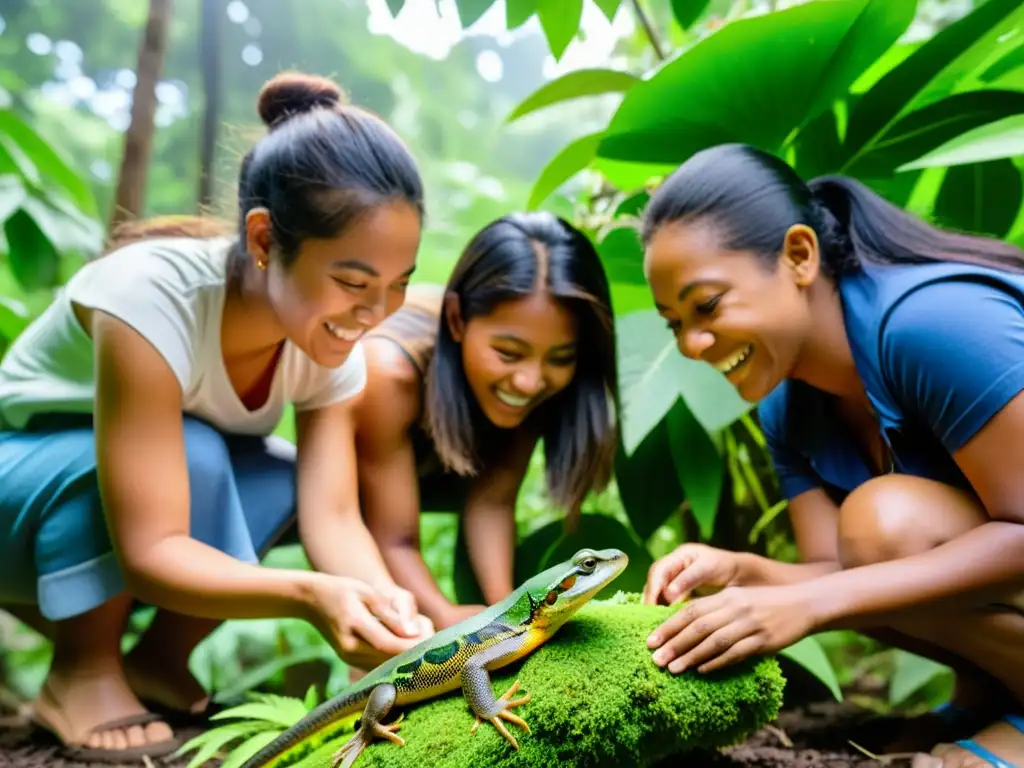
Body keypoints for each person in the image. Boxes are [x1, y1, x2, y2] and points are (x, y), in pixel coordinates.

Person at [0, 71, 435, 762]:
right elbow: (149, 552)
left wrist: (390, 620)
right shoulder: (149, 297)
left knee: (280, 478)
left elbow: (333, 516)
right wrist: (310, 595)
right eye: (353, 282)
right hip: (18, 496)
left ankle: (158, 662)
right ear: (264, 239)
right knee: (199, 452)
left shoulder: (330, 344)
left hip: (108, 507)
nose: (375, 313)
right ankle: (80, 672)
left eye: (398, 286)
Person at [637, 143, 1024, 768]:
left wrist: (807, 603)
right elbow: (838, 572)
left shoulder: (933, 322)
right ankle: (998, 698)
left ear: (798, 255)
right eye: (672, 323)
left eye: (705, 305)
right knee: (870, 544)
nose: (691, 344)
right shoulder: (786, 406)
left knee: (885, 522)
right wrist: (741, 574)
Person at [351, 212, 620, 631]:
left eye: (561, 358)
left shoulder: (539, 381)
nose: (530, 380)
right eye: (509, 353)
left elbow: (493, 498)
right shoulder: (389, 373)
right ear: (457, 320)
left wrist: (510, 614)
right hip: (340, 482)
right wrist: (442, 616)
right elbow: (392, 536)